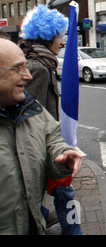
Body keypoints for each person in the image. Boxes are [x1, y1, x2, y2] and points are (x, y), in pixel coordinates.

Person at [0, 38, 82, 235]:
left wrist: (62, 153)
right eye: (18, 68)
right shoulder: (39, 67)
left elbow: (47, 134)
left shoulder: (25, 106)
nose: (27, 76)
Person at [19, 4, 83, 235]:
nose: (63, 42)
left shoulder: (41, 62)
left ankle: (44, 216)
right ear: (47, 36)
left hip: (44, 145)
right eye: (59, 36)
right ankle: (73, 231)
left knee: (52, 192)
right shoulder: (37, 67)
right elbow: (30, 113)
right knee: (66, 192)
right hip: (42, 147)